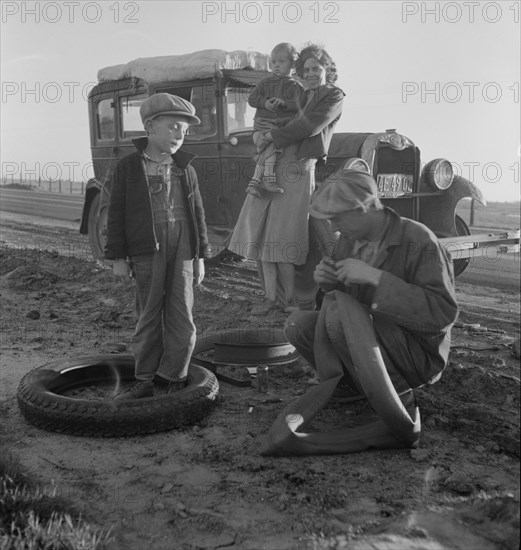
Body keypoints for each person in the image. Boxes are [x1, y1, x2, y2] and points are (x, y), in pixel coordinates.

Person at [261, 170, 459, 456]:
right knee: (298, 324)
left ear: (364, 208)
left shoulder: (418, 239)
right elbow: (340, 300)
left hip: (415, 355)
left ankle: (397, 397)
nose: (332, 225)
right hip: (369, 341)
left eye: (338, 217)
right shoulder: (349, 241)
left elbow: (441, 314)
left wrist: (376, 278)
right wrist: (328, 282)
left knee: (341, 319)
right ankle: (351, 387)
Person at [105, 93, 210, 400]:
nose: (181, 134)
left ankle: (172, 378)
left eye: (185, 130)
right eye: (174, 126)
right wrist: (118, 257)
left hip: (183, 250)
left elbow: (199, 214)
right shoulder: (128, 167)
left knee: (183, 316)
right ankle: (146, 378)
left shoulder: (185, 168)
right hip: (146, 249)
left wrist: (201, 256)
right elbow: (116, 214)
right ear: (150, 127)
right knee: (149, 314)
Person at [228, 44, 345, 315]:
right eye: (306, 69)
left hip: (297, 168)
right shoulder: (299, 91)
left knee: (284, 235)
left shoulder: (332, 96)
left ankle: (291, 300)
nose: (312, 73)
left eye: (317, 68)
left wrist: (269, 136)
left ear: (328, 69)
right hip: (272, 161)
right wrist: (261, 135)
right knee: (261, 231)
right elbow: (270, 110)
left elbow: (308, 126)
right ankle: (271, 296)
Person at [246, 42, 304, 197]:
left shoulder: (296, 86)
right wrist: (264, 102)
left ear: (292, 65)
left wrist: (285, 103)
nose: (276, 65)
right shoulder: (265, 82)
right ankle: (268, 178)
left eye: (281, 61)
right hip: (264, 122)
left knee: (268, 149)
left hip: (280, 125)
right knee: (273, 147)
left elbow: (300, 106)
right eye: (273, 62)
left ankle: (255, 181)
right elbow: (252, 99)